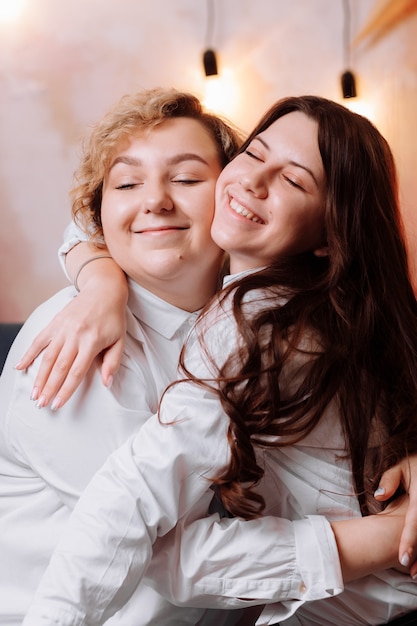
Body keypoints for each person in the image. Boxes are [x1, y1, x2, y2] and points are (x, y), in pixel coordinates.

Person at [1, 87, 394, 626]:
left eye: (187, 179)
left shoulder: (262, 306)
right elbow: (169, 554)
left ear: (223, 190)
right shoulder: (73, 348)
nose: (155, 200)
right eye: (127, 183)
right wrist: (98, 281)